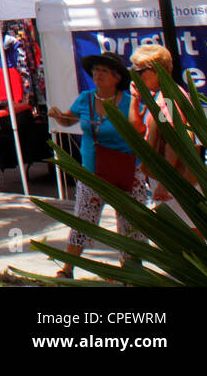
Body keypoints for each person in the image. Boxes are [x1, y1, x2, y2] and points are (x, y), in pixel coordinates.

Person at [48, 52, 149, 278]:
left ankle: (130, 274)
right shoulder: (85, 98)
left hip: (126, 172)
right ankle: (67, 269)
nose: (98, 74)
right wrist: (58, 116)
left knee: (132, 226)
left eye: (104, 70)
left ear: (116, 77)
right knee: (83, 220)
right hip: (93, 173)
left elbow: (138, 130)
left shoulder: (129, 101)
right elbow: (68, 120)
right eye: (95, 70)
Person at [128, 44, 199, 230]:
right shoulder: (157, 97)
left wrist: (166, 182)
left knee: (183, 231)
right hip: (165, 175)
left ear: (158, 71)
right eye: (133, 71)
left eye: (140, 71)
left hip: (173, 177)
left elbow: (173, 141)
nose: (136, 76)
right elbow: (136, 129)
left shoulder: (168, 99)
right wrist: (135, 98)